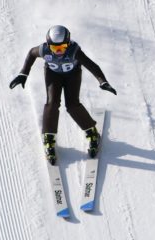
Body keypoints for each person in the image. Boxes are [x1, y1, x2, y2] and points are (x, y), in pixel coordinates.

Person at [9, 25, 116, 164]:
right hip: (53, 74)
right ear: (49, 45)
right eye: (55, 48)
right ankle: (49, 138)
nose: (59, 51)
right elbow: (31, 53)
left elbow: (91, 65)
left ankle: (92, 133)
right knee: (52, 103)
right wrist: (23, 73)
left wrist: (103, 81)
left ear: (69, 42)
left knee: (72, 105)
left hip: (73, 75)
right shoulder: (44, 50)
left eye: (62, 47)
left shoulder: (74, 50)